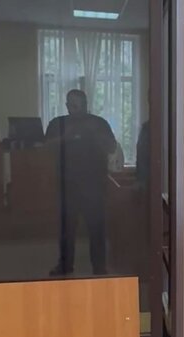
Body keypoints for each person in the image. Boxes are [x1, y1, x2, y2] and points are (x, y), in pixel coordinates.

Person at [46, 89, 118, 276]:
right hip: (67, 185)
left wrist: (95, 135)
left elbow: (111, 147)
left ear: (86, 104)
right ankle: (65, 265)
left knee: (97, 228)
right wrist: (65, 137)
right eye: (71, 104)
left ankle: (99, 266)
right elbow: (46, 147)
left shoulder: (98, 123)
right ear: (66, 105)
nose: (74, 108)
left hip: (94, 185)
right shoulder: (58, 123)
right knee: (66, 229)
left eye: (78, 104)